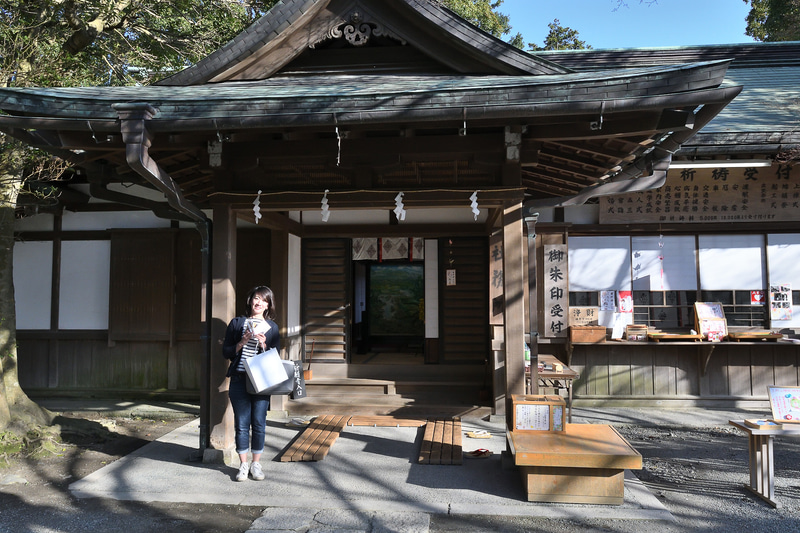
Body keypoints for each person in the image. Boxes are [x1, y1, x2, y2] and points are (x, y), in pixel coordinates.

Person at [222, 285, 280, 481]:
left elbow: (275, 357)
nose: (259, 302)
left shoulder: (272, 328)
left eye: (264, 300)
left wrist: (264, 344)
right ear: (250, 300)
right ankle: (243, 465)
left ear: (268, 305)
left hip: (261, 381)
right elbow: (226, 352)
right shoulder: (237, 323)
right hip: (239, 378)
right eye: (256, 298)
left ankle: (256, 464)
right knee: (241, 424)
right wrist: (241, 342)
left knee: (259, 423)